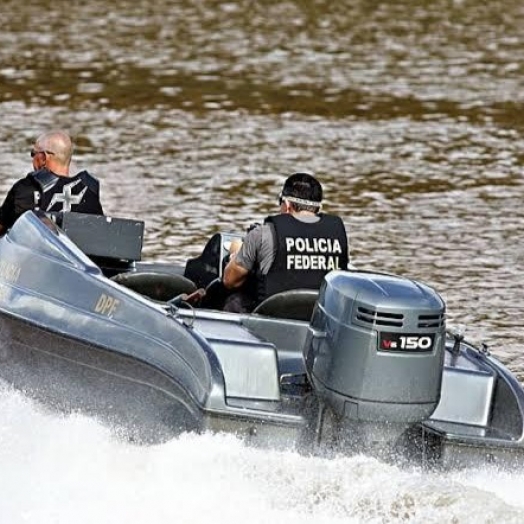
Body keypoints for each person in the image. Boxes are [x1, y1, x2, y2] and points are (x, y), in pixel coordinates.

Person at [222, 172, 349, 312]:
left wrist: (236, 252)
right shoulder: (337, 234)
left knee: (234, 300)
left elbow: (230, 281)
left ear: (287, 205)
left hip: (272, 322)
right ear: (318, 208)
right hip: (321, 318)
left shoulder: (263, 234)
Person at [0, 130, 103, 235]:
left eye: (33, 154)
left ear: (43, 158)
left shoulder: (27, 187)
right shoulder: (90, 190)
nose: (32, 158)